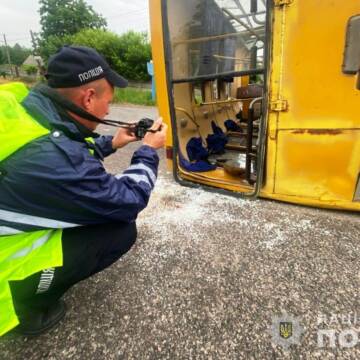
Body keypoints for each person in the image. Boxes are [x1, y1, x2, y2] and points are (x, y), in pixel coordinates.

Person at [0, 45, 167, 336]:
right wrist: (149, 151)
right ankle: (24, 306)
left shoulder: (23, 109)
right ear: (88, 98)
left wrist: (110, 143)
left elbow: (60, 145)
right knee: (119, 228)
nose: (108, 111)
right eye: (108, 104)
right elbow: (127, 200)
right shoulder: (48, 156)